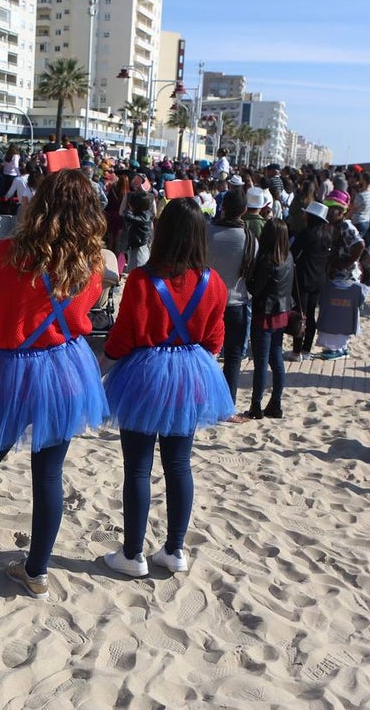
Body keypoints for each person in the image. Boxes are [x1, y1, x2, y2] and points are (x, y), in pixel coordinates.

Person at [0, 169, 109, 606]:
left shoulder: (4, 254)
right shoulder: (90, 265)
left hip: (12, 370)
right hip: (67, 369)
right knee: (48, 474)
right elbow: (85, 309)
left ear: (38, 205)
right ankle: (36, 573)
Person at [101, 199, 231, 577]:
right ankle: (174, 549)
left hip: (143, 375)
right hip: (190, 373)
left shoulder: (143, 279)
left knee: (138, 468)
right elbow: (215, 341)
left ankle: (132, 554)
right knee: (179, 464)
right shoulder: (213, 282)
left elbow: (122, 339)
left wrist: (100, 369)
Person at [207, 189, 257, 419]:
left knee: (205, 354)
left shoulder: (207, 231)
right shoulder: (249, 238)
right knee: (234, 357)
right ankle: (227, 408)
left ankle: (201, 401)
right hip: (236, 301)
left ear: (222, 206)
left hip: (206, 301)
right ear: (244, 211)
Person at [246, 219, 294, 418]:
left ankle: (256, 405)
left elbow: (255, 290)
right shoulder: (288, 257)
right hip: (282, 313)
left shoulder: (267, 260)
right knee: (277, 359)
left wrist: (248, 279)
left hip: (264, 314)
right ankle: (276, 402)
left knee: (261, 362)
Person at [287, 201, 332, 361]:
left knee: (301, 314)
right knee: (311, 314)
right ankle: (306, 350)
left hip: (303, 279)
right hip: (319, 279)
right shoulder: (327, 235)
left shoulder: (305, 234)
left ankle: (297, 351)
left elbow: (292, 252)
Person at [121, 190, 154, 274]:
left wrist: (128, 208)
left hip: (139, 247)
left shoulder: (144, 217)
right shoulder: (145, 214)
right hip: (136, 246)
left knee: (135, 271)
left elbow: (127, 216)